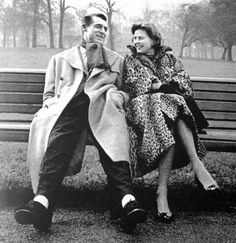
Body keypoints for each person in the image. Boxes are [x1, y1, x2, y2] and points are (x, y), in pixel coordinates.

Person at [14, 13, 147, 233]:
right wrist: (51, 108)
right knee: (58, 144)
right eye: (98, 26)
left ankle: (127, 202)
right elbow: (48, 94)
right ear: (83, 30)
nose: (103, 31)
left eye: (105, 28)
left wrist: (118, 97)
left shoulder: (116, 60)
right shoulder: (60, 59)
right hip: (69, 112)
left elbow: (128, 91)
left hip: (103, 110)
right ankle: (41, 204)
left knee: (113, 147)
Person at [122, 23, 219, 223]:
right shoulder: (131, 60)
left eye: (141, 37)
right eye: (134, 39)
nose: (136, 42)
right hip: (141, 111)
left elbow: (185, 82)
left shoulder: (170, 59)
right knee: (172, 102)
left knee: (171, 111)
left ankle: (162, 193)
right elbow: (133, 85)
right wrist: (160, 87)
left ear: (154, 40)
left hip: (170, 113)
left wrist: (163, 87)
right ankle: (197, 165)